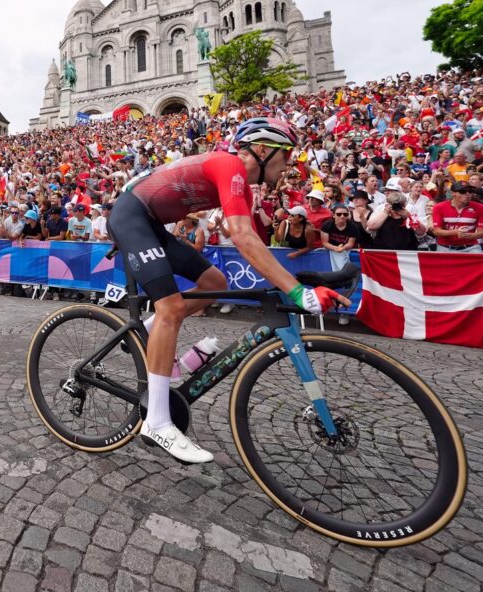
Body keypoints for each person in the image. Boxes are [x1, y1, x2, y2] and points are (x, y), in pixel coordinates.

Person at [106, 117, 348, 464]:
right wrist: (298, 293)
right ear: (262, 150)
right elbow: (242, 238)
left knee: (215, 284)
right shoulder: (229, 165)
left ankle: (148, 331)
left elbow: (254, 243)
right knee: (170, 308)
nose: (290, 164)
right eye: (286, 154)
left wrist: (296, 282)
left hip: (151, 223)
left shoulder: (243, 187)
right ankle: (157, 422)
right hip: (131, 215)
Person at [431, 182, 483, 252]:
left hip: (471, 247)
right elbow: (436, 231)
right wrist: (456, 232)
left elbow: (482, 233)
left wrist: (469, 235)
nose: (468, 194)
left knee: (480, 258)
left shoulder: (481, 208)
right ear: (453, 193)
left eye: (470, 192)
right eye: (463, 192)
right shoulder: (439, 207)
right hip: (445, 247)